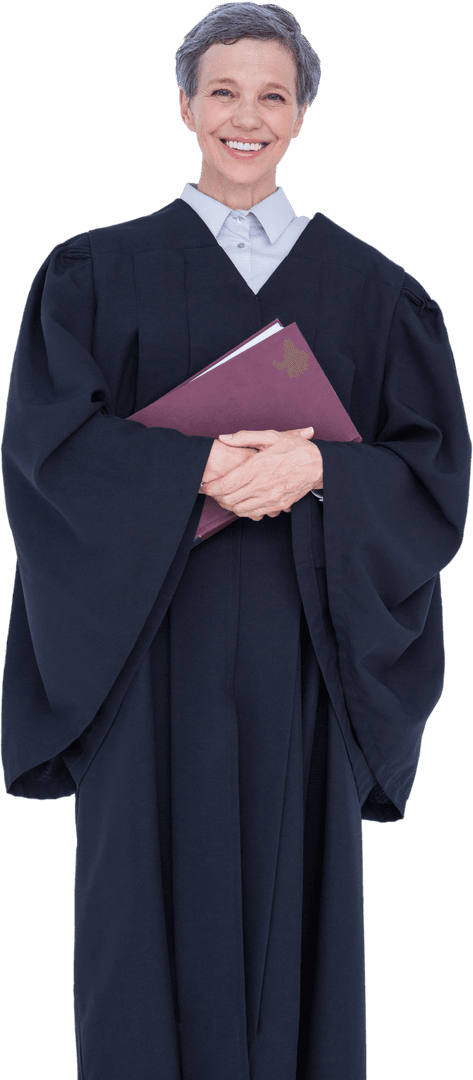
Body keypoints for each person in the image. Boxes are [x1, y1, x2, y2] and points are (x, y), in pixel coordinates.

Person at [1, 3, 470, 1079]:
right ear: (183, 106)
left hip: (303, 666)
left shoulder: (375, 293)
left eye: (271, 95)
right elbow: (43, 449)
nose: (244, 116)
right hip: (144, 661)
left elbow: (433, 476)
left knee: (300, 939)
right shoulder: (91, 274)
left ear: (301, 114)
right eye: (222, 91)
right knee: (136, 935)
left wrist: (322, 470)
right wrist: (196, 467)